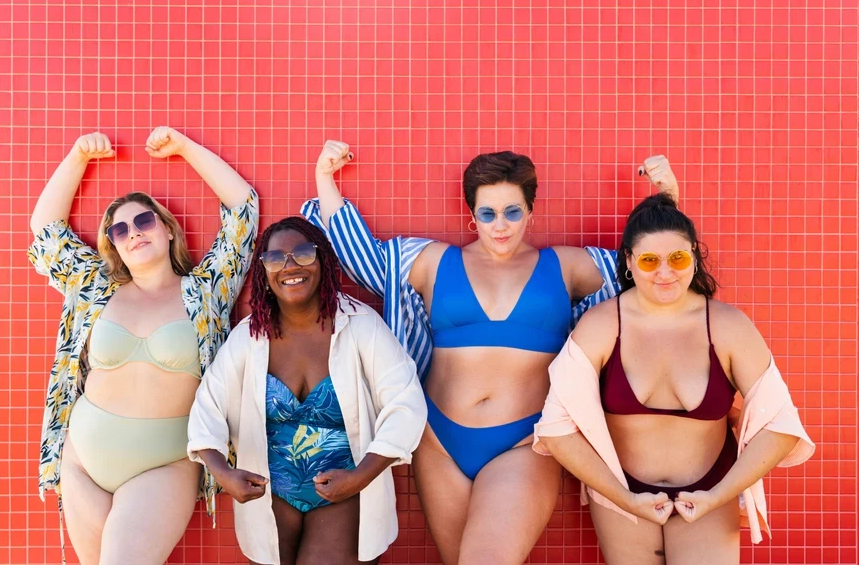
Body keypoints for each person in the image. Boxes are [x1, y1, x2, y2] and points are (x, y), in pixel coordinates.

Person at [301, 141, 680, 564]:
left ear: (530, 211)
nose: (500, 225)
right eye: (488, 213)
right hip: (438, 442)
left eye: (512, 212)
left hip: (522, 442)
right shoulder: (434, 261)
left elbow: (648, 269)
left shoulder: (566, 266)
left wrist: (666, 199)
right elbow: (363, 258)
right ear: (472, 215)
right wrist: (324, 179)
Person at [533, 194, 815, 564]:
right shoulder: (602, 326)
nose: (665, 273)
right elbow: (555, 429)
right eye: (650, 260)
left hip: (712, 488)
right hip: (621, 494)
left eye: (677, 258)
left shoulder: (729, 326)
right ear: (630, 262)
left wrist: (718, 495)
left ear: (694, 257)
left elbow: (781, 426)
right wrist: (626, 499)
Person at [27, 127, 258, 564]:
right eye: (119, 229)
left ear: (168, 230)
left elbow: (242, 208)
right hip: (82, 459)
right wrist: (78, 157)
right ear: (113, 245)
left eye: (144, 219)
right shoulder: (96, 287)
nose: (133, 231)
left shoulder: (206, 291)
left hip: (164, 463)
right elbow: (46, 231)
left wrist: (185, 148)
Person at [187, 217, 427, 565]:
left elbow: (405, 404)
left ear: (323, 260)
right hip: (269, 497)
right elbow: (207, 406)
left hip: (346, 492)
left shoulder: (359, 325)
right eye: (275, 259)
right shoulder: (248, 337)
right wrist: (223, 472)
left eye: (302, 253)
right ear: (264, 272)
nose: (289, 266)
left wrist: (361, 477)